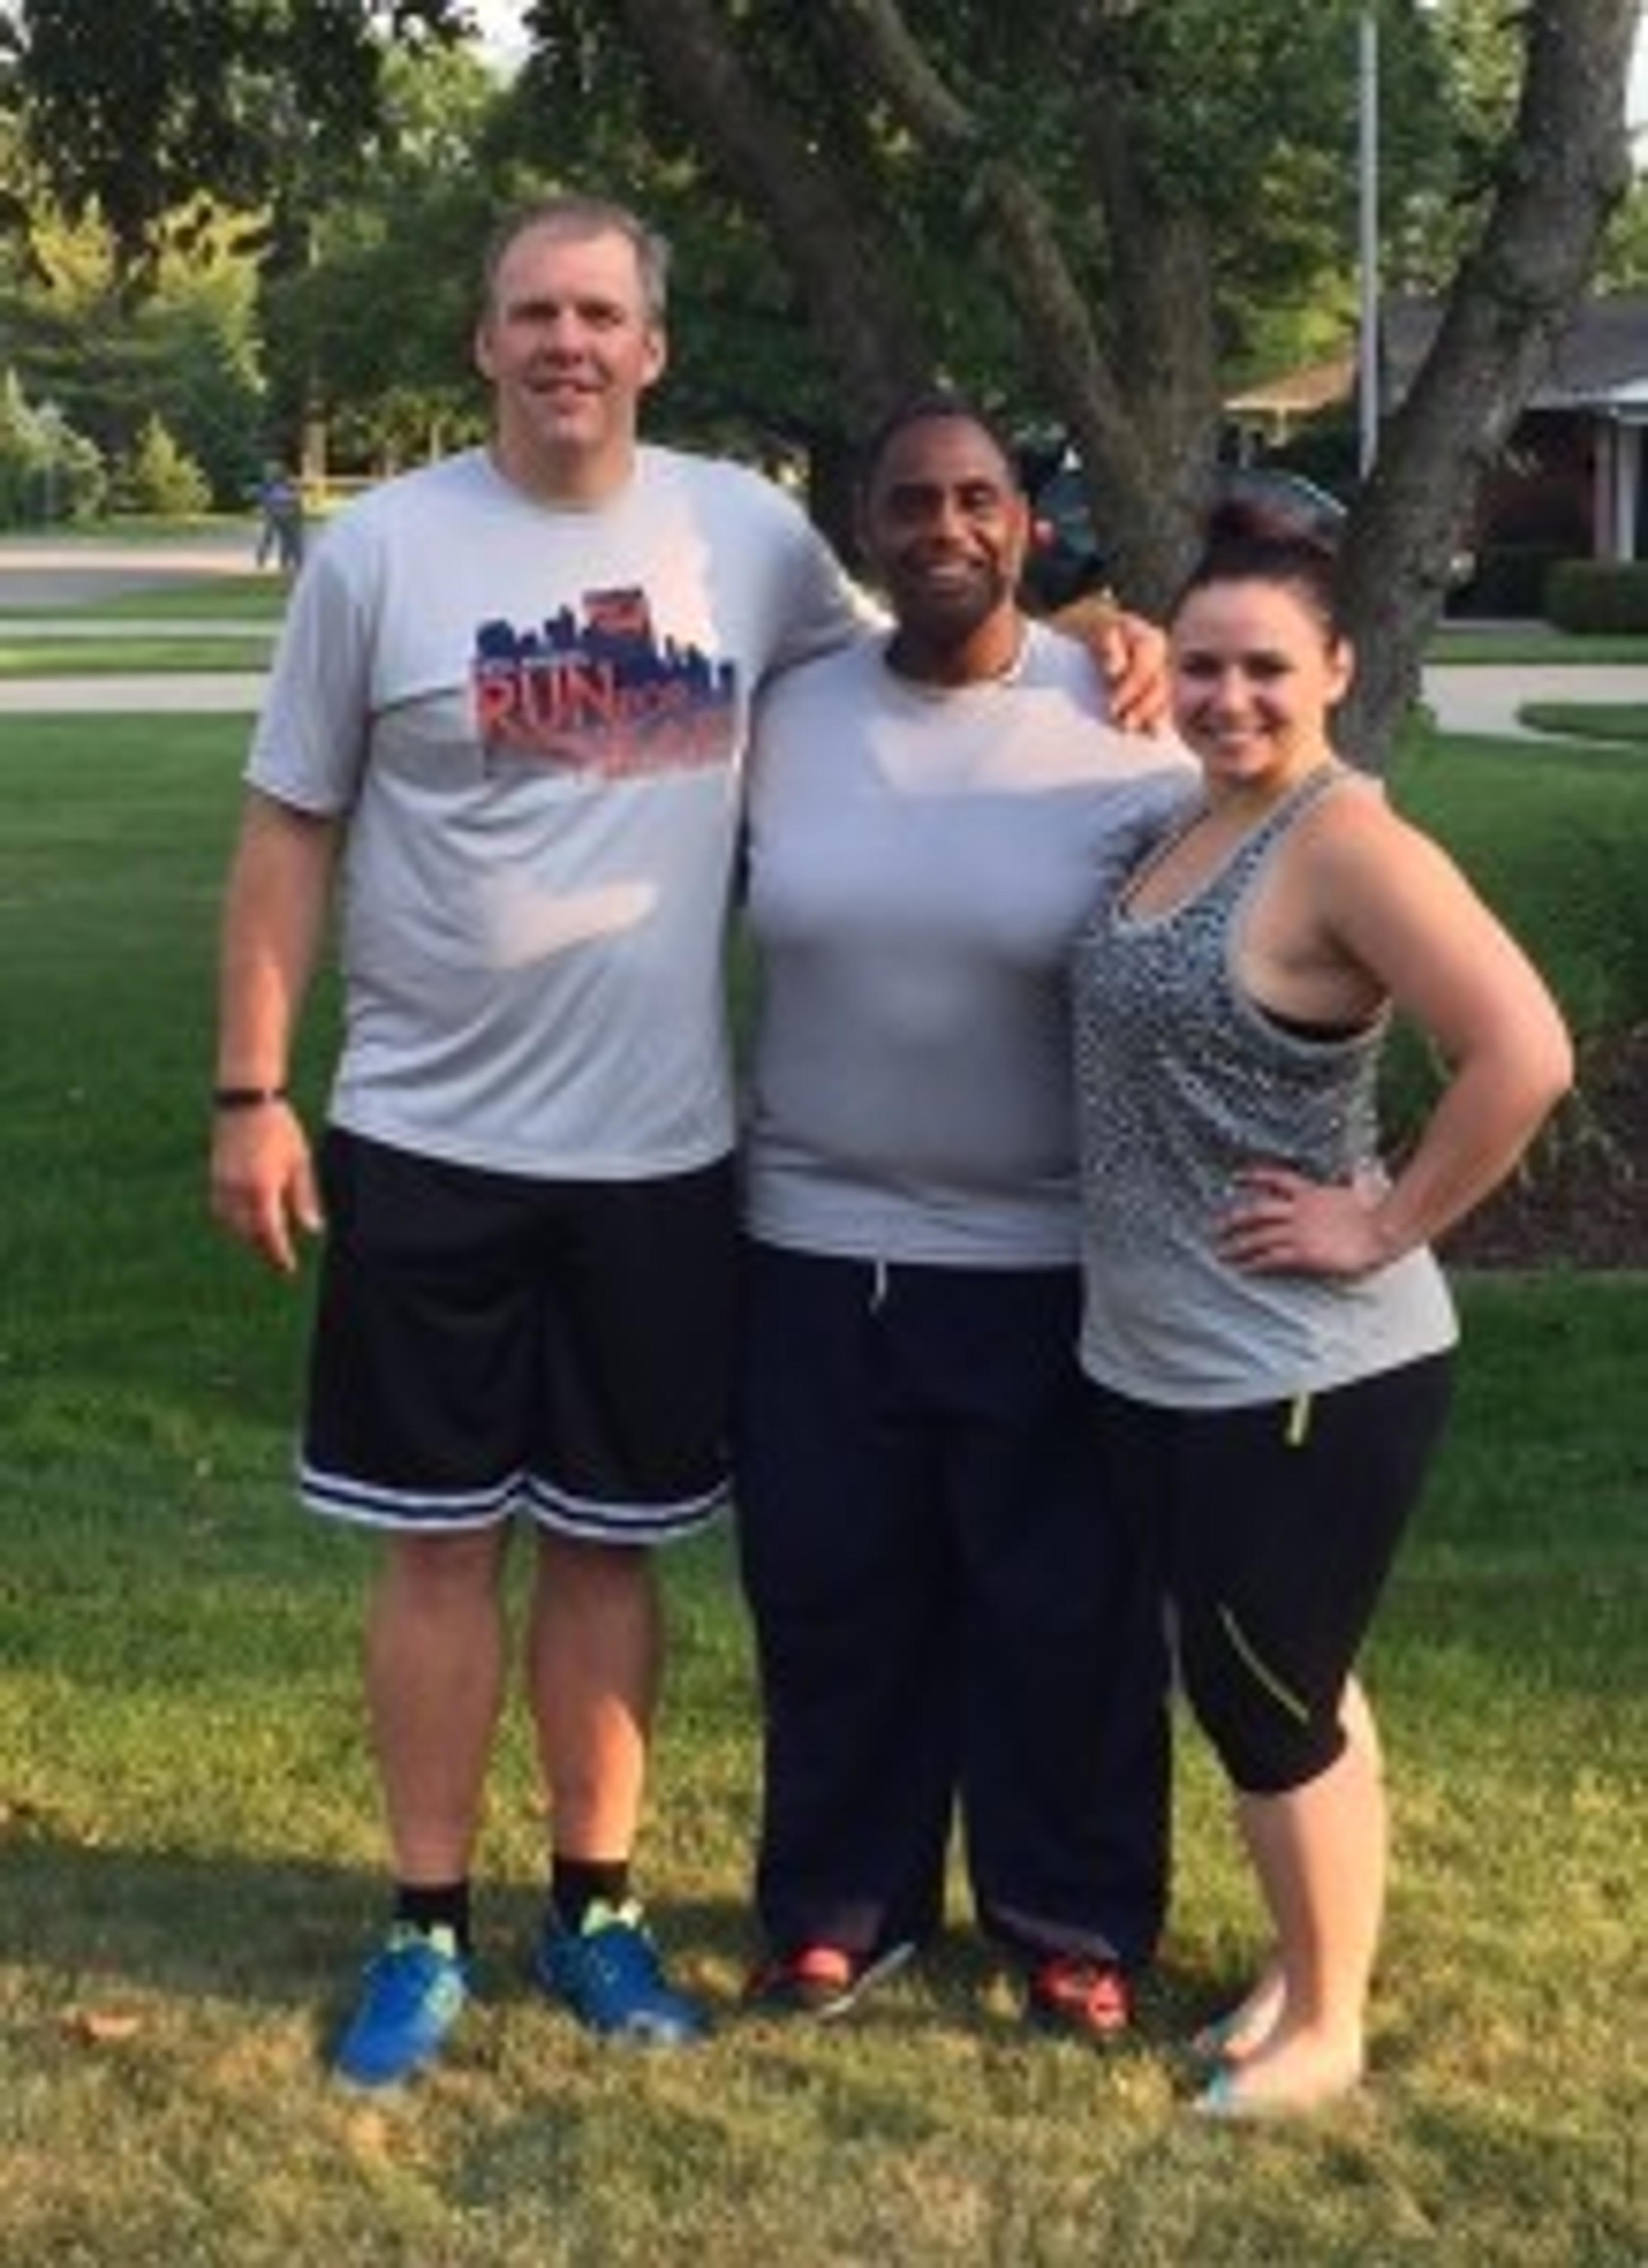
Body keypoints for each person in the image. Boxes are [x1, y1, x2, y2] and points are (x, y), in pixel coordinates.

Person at [209, 195, 1163, 2089]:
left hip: (660, 1157)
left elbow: (930, 635)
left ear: (651, 346)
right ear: (483, 343)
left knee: (607, 1550)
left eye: (600, 314)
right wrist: (251, 1090)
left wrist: (1094, 628)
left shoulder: (740, 534)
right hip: (426, 1134)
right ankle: (422, 1925)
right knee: (431, 1552)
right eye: (530, 313)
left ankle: (599, 1907)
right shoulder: (381, 555)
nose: (566, 341)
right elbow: (288, 825)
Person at [1068, 501, 1572, 2117]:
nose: (1230, 697)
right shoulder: (1191, 816)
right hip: (1166, 1352)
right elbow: (1087, 638)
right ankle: (1306, 1949)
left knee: (1263, 1692)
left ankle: (1329, 2019)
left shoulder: (1347, 841)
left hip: (1296, 1361)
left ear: (1339, 669)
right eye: (1203, 664)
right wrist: (1103, 631)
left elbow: (1525, 1050)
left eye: (1267, 669)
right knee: (1296, 1674)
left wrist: (1386, 1217)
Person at [735, 394, 1192, 2035]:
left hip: (1050, 1255)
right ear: (865, 528)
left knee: (1064, 1611)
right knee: (834, 1596)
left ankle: (1073, 1917)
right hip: (809, 1246)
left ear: (1028, 521)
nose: (947, 528)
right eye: (913, 501)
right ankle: (837, 1911)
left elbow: (1304, 840)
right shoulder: (785, 711)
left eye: (978, 499)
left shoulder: (1129, 703)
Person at [252, 462, 305, 575]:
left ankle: (292, 563)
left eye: (273, 472)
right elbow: (263, 499)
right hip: (274, 515)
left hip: (289, 516)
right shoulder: (267, 486)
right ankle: (261, 560)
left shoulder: (289, 484)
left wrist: (295, 510)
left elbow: (298, 500)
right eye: (269, 472)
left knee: (291, 540)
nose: (270, 475)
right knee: (268, 538)